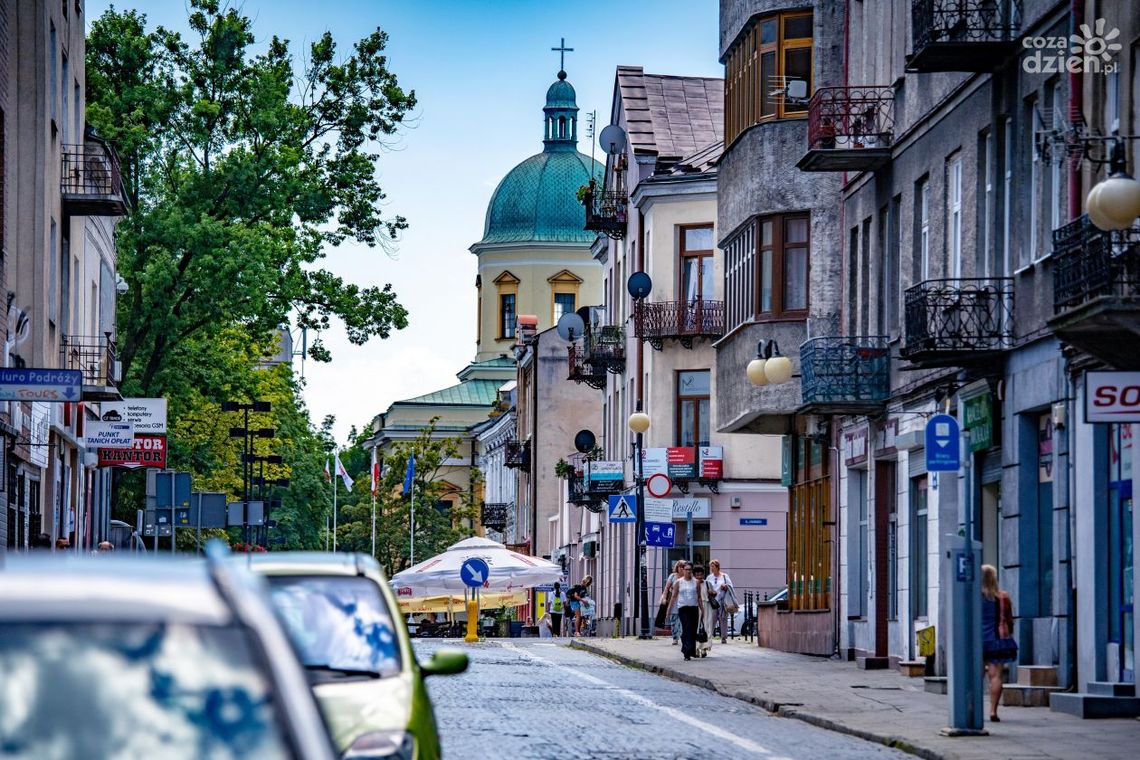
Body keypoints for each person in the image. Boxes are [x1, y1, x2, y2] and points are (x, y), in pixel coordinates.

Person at [981, 564, 1016, 722]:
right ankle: (993, 711)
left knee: (976, 675)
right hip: (997, 640)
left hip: (977, 641)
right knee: (996, 676)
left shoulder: (974, 596)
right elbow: (1009, 619)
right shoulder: (1003, 597)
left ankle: (971, 708)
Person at [666, 562, 707, 661]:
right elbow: (674, 597)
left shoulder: (696, 582)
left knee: (692, 630)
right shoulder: (679, 582)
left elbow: (699, 597)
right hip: (683, 608)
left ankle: (691, 651)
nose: (688, 571)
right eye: (686, 569)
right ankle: (686, 652)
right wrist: (668, 611)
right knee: (686, 628)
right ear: (683, 570)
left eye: (690, 569)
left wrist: (702, 609)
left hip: (693, 608)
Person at [707, 559, 734, 644]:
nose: (711, 568)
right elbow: (706, 586)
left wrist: (725, 586)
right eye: (710, 566)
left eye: (713, 566)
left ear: (717, 567)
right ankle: (709, 635)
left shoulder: (724, 576)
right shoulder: (709, 577)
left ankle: (723, 637)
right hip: (713, 601)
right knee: (712, 618)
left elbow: (730, 586)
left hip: (722, 600)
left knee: (723, 618)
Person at [660, 560, 686, 645]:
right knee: (674, 620)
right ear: (677, 568)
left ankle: (683, 637)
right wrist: (664, 597)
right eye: (680, 567)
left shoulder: (687, 577)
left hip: (684, 601)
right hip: (673, 601)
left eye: (683, 567)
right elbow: (667, 588)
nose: (682, 569)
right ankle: (675, 638)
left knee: (683, 620)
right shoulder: (672, 576)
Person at [693, 565, 713, 658]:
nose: (699, 577)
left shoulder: (708, 583)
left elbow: (713, 594)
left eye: (701, 575)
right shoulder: (692, 584)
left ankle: (704, 649)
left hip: (707, 606)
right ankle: (696, 648)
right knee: (696, 628)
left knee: (707, 627)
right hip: (696, 607)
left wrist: (712, 593)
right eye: (697, 575)